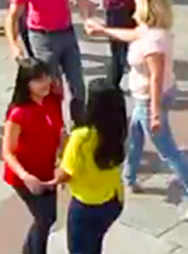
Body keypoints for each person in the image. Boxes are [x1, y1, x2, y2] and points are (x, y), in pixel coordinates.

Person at [86, 0, 188, 220]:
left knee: (169, 152)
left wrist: (154, 114)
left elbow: (155, 77)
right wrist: (103, 30)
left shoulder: (153, 42)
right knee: (134, 133)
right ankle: (129, 177)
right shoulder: (151, 30)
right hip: (159, 92)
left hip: (150, 98)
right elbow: (131, 34)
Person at [5, 0, 96, 120]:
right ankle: (57, 128)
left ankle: (80, 125)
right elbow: (13, 16)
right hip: (42, 36)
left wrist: (87, 18)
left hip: (66, 31)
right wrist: (14, 45)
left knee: (78, 85)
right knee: (53, 88)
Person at [2, 57, 67, 254]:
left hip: (47, 170)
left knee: (48, 217)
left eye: (46, 76)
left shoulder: (53, 100)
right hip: (25, 176)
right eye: (38, 80)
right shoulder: (18, 114)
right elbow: (7, 151)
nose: (45, 83)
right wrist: (25, 176)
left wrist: (63, 161)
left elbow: (60, 132)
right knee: (44, 217)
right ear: (26, 83)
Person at [57, 78, 129, 254]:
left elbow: (65, 174)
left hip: (86, 205)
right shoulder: (119, 129)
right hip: (113, 200)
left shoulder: (82, 137)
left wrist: (61, 151)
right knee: (94, 243)